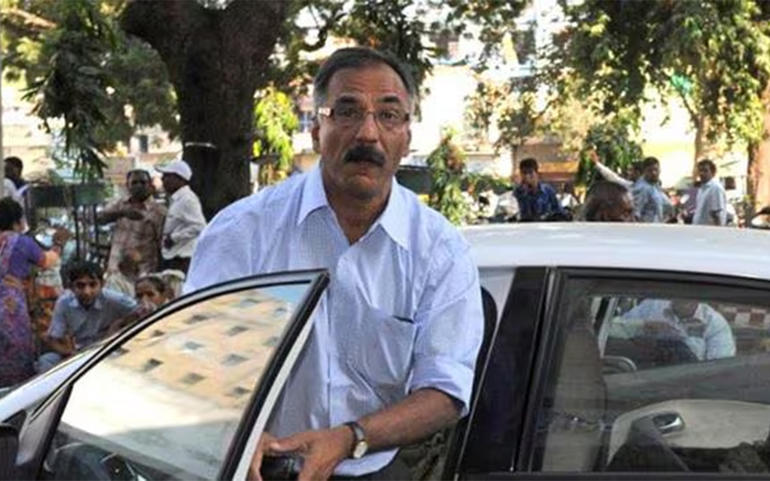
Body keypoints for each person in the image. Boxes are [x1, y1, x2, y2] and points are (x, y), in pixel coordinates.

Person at [185, 47, 483, 480]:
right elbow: (194, 356)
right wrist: (237, 432)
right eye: (347, 112)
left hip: (374, 467)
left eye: (388, 115)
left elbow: (444, 390)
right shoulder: (242, 232)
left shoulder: (439, 250)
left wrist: (351, 437)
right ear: (316, 132)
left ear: (406, 139)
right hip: (255, 467)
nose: (368, 133)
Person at [0, 198, 62, 387]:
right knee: (16, 346)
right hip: (11, 303)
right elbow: (46, 261)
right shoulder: (22, 242)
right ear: (17, 220)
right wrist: (58, 245)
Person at [38, 261, 138, 372]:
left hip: (106, 351)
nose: (87, 292)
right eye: (80, 286)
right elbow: (53, 338)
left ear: (102, 284)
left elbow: (139, 312)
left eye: (92, 285)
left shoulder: (114, 300)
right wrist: (70, 353)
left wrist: (120, 325)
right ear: (71, 287)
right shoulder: (64, 303)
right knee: (46, 361)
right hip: (79, 353)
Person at [614, 298, 735, 362]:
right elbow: (612, 329)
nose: (686, 296)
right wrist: (642, 326)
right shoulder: (651, 306)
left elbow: (719, 369)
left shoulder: (715, 323)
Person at [97, 169, 166, 276]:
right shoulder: (119, 204)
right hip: (115, 268)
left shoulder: (159, 211)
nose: (138, 186)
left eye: (143, 182)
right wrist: (122, 213)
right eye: (134, 183)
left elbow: (162, 244)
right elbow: (99, 219)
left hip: (142, 270)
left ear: (150, 185)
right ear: (127, 185)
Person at [157, 159, 206, 274]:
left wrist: (174, 238)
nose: (163, 179)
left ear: (179, 179)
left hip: (182, 258)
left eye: (167, 176)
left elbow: (200, 226)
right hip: (173, 256)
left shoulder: (187, 199)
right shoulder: (176, 199)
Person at [632, 156, 673, 223]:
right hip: (646, 228)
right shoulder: (642, 188)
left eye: (656, 170)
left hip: (657, 227)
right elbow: (635, 214)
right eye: (650, 170)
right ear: (644, 171)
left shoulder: (655, 186)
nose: (654, 173)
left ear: (660, 170)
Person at [692, 159, 727, 226]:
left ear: (713, 173)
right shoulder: (702, 189)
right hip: (699, 228)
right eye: (700, 170)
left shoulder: (715, 188)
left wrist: (718, 230)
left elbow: (717, 213)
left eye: (705, 171)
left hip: (710, 230)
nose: (702, 173)